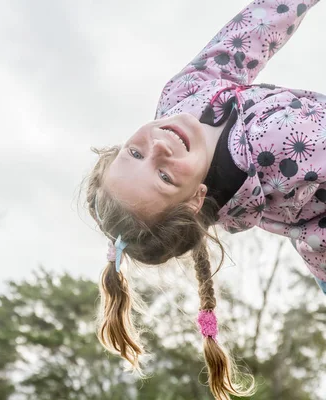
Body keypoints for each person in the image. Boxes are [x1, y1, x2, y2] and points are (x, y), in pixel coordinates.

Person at [85, 1, 323, 399]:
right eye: (162, 177)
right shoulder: (271, 150)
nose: (158, 148)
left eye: (135, 154)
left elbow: (254, 32)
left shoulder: (184, 96)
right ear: (196, 200)